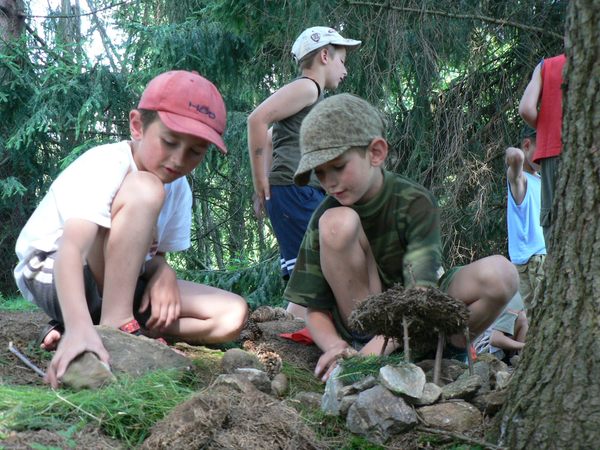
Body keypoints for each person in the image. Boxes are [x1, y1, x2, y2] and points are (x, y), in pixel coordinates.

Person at [14, 70, 248, 388]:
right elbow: (72, 248)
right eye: (169, 141)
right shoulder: (107, 163)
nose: (179, 159)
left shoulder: (179, 189)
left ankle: (107, 327)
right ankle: (111, 326)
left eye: (195, 151)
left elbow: (151, 256)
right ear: (137, 125)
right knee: (146, 187)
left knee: (232, 314)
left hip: (115, 286)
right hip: (54, 270)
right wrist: (80, 325)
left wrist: (162, 271)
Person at [284, 93, 518, 381]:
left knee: (502, 273)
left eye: (339, 166)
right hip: (367, 326)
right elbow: (314, 310)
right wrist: (335, 346)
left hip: (423, 317)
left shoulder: (414, 201)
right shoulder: (327, 214)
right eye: (320, 173)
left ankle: (449, 350)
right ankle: (369, 344)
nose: (329, 182)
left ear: (376, 153)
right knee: (336, 223)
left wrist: (370, 356)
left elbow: (421, 296)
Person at [247, 26, 360, 319]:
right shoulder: (308, 88)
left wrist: (268, 184)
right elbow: (257, 120)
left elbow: (270, 138)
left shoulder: (311, 95)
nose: (345, 70)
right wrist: (261, 182)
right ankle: (297, 331)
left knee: (312, 268)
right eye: (342, 61)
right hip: (295, 191)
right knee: (322, 265)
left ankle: (293, 328)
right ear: (324, 56)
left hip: (295, 190)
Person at [518, 53, 566, 244]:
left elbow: (526, 109)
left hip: (555, 154)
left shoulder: (547, 66)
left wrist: (549, 130)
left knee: (556, 229)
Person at [505, 127, 546, 311]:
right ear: (527, 145)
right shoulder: (521, 180)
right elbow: (515, 156)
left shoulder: (541, 180)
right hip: (534, 262)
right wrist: (511, 152)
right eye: (543, 148)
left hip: (540, 258)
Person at [474, 292, 528, 363]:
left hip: (493, 348)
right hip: (487, 351)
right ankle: (524, 360)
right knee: (522, 319)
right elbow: (495, 339)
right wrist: (526, 346)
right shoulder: (514, 301)